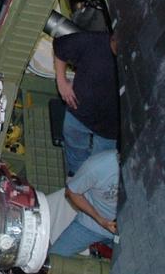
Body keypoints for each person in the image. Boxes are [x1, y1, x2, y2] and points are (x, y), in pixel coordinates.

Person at [53, 28, 118, 177]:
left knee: (98, 166)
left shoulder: (135, 59)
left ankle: (87, 184)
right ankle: (75, 175)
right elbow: (60, 48)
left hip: (110, 129)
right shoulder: (92, 41)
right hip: (79, 113)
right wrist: (61, 82)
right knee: (75, 150)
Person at [50, 149, 119, 257]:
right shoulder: (98, 166)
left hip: (128, 228)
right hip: (93, 224)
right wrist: (100, 220)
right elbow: (71, 192)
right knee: (53, 261)